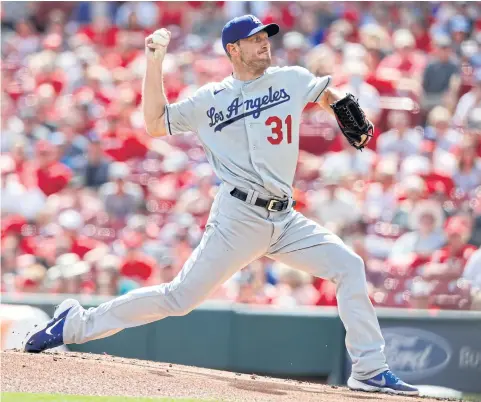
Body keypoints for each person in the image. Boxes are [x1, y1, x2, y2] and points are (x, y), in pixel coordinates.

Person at [24, 15, 418, 396]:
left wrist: (340, 103)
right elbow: (156, 124)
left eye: (267, 36)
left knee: (349, 266)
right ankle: (74, 325)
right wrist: (154, 61)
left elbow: (325, 92)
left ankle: (369, 370)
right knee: (178, 299)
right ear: (233, 48)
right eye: (255, 38)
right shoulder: (208, 100)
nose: (265, 42)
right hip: (238, 217)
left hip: (285, 218)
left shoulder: (291, 78)